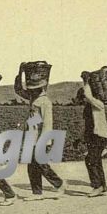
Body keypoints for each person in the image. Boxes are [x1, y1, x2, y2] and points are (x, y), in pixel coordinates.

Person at [14, 66, 66, 201]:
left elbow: (48, 123)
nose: (30, 90)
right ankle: (37, 192)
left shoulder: (45, 102)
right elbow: (19, 90)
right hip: (32, 137)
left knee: (41, 164)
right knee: (32, 166)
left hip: (40, 139)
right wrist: (20, 72)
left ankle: (59, 184)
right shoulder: (34, 98)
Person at [81, 72, 107, 197]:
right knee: (96, 160)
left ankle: (97, 186)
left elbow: (88, 96)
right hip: (93, 136)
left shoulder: (98, 103)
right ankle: (102, 186)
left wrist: (86, 82)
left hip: (99, 136)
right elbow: (88, 124)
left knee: (90, 160)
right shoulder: (90, 106)